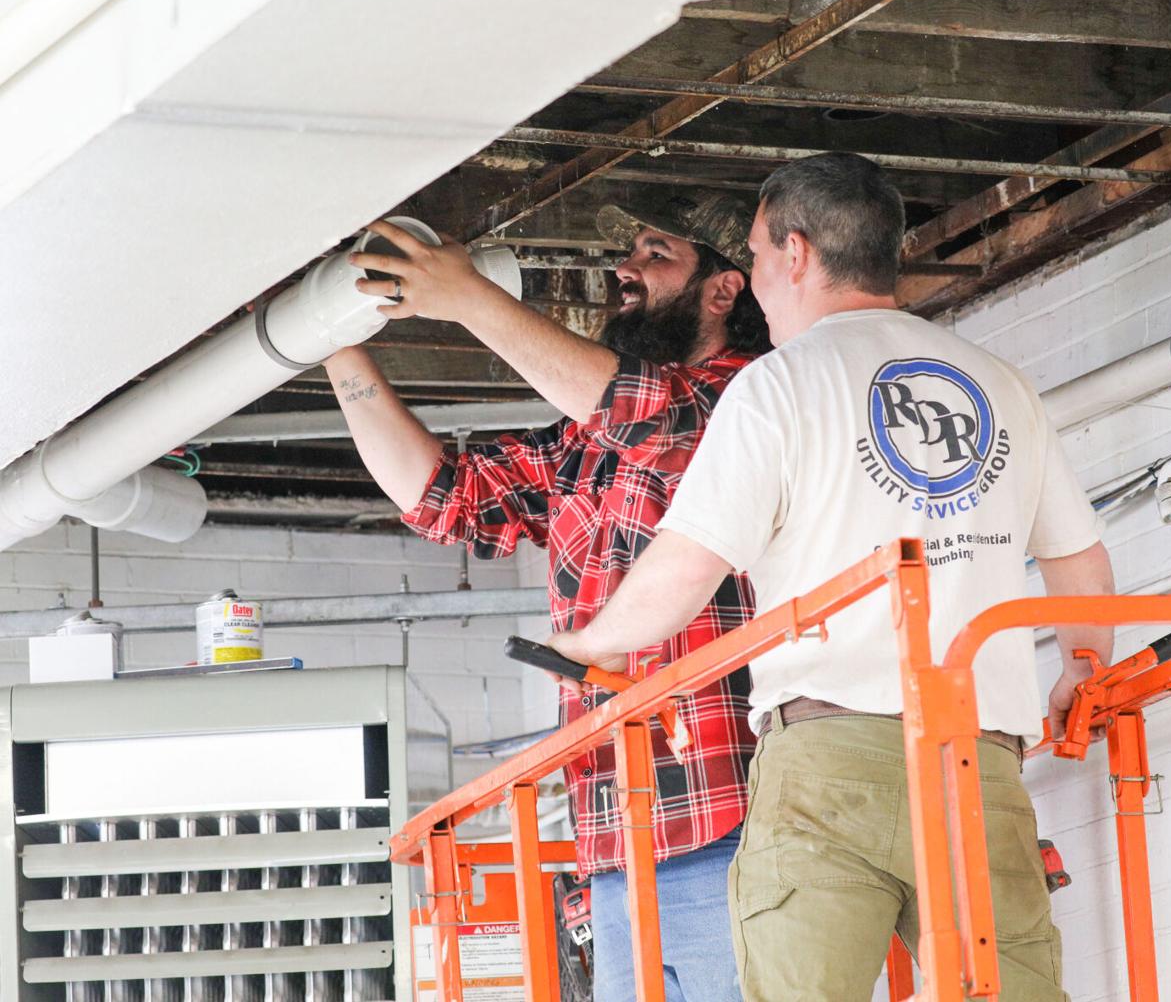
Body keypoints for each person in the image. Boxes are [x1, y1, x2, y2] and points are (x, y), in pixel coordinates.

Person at [549, 153, 1116, 1001]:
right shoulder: (999, 384)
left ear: (797, 253)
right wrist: (1083, 669)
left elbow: (687, 564)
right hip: (978, 753)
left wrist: (593, 642)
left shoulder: (778, 387)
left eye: (756, 253)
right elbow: (1078, 557)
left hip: (827, 760)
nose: (756, 281)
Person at [322, 192, 770, 1002]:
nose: (624, 271)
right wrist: (334, 345)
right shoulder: (584, 440)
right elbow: (442, 497)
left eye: (654, 251)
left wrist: (467, 298)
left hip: (726, 821)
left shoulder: (750, 403)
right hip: (614, 839)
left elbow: (647, 414)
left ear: (724, 290)